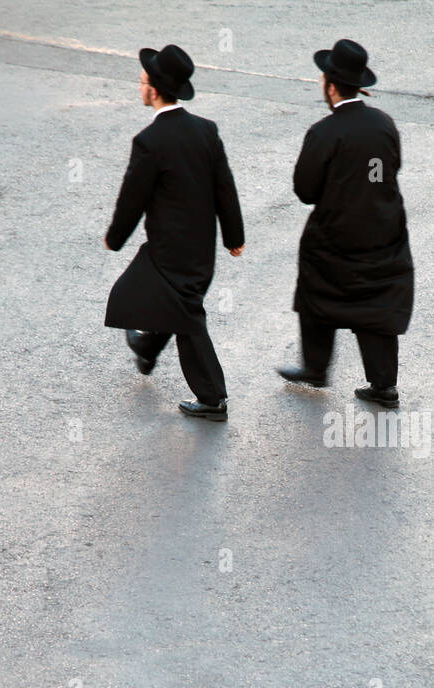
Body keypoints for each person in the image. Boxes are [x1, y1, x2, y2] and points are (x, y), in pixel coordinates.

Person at [103, 44, 245, 421]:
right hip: (202, 247)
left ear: (153, 89)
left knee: (174, 311)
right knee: (170, 302)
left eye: (141, 80)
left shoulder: (150, 141)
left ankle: (213, 399)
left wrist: (114, 238)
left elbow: (132, 198)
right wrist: (234, 237)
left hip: (169, 251)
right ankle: (148, 347)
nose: (139, 85)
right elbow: (224, 188)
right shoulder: (205, 131)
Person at [278, 39, 414, 409]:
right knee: (377, 307)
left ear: (331, 85)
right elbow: (391, 168)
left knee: (317, 293)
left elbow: (305, 190)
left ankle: (316, 368)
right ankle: (383, 386)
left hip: (335, 236)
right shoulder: (383, 124)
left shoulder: (324, 133)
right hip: (384, 231)